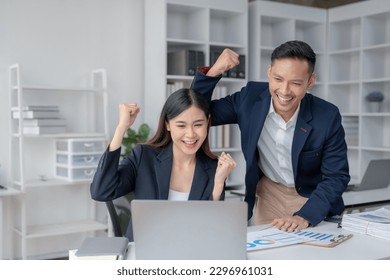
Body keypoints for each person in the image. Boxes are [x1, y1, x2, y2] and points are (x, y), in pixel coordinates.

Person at [191, 40, 350, 232]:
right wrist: (214, 72)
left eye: (296, 83)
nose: (284, 91)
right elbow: (194, 112)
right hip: (269, 195)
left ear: (310, 81)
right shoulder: (249, 98)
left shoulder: (327, 115)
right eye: (278, 79)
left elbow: (336, 176)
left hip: (312, 197)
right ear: (269, 72)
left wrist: (304, 216)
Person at [90, 88, 237, 240]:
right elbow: (101, 191)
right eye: (181, 125)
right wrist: (121, 128)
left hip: (190, 252)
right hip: (146, 252)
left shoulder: (214, 168)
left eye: (198, 124)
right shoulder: (144, 157)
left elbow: (210, 228)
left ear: (207, 123)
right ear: (167, 125)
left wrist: (218, 184)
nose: (191, 134)